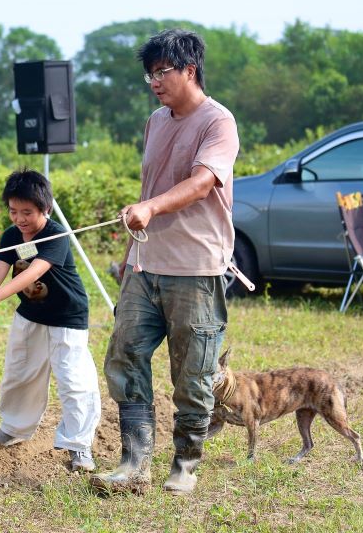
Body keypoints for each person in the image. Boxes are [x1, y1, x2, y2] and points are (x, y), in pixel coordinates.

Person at [90, 28, 239, 496]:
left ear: (189, 70)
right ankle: (134, 461)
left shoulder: (219, 122)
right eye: (149, 74)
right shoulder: (156, 120)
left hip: (196, 268)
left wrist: (153, 207)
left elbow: (200, 183)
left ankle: (185, 463)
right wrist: (138, 220)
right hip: (145, 264)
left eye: (162, 71)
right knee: (125, 354)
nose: (154, 81)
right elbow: (152, 184)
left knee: (191, 372)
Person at [0, 168, 101, 472]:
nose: (19, 219)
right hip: (31, 314)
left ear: (44, 208)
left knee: (73, 380)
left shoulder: (55, 235)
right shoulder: (12, 236)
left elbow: (34, 271)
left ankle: (79, 446)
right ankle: (14, 429)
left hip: (66, 317)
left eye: (27, 212)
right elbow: (0, 265)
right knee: (20, 372)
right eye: (13, 211)